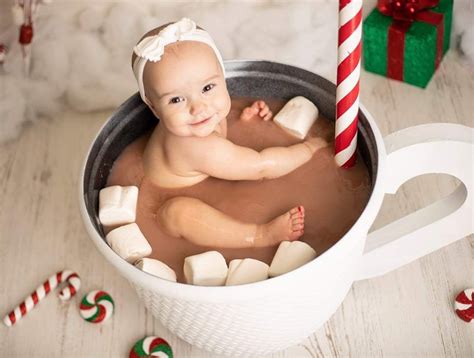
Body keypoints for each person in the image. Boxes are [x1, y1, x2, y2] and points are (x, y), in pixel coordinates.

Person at [132, 18, 327, 249]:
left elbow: (217, 125)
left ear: (223, 78)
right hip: (159, 202)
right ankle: (259, 235)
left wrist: (242, 117)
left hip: (187, 170)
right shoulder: (198, 147)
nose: (199, 108)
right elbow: (262, 167)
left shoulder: (193, 120)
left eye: (207, 88)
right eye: (176, 100)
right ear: (154, 107)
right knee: (179, 213)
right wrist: (311, 148)